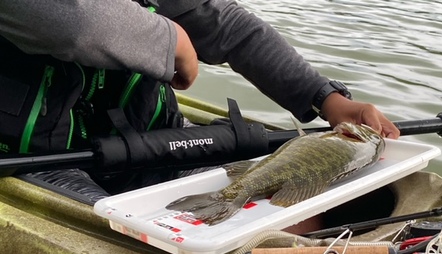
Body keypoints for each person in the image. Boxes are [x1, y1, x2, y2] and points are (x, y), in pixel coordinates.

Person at [0, 0, 399, 200]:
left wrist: (324, 97)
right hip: (32, 158)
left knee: (288, 207)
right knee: (139, 237)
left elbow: (225, 25)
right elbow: (72, 24)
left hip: (149, 139)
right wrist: (171, 40)